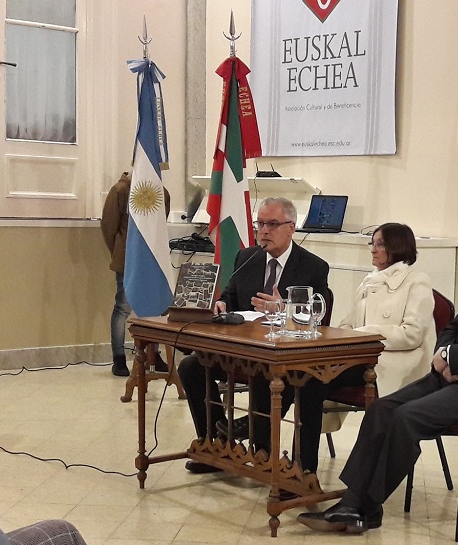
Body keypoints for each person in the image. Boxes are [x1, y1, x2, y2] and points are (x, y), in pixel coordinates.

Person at [297, 212, 458, 534]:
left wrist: (454, 357)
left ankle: (362, 506)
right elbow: (453, 326)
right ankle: (353, 504)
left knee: (407, 417)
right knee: (382, 409)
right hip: (457, 378)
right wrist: (446, 356)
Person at [177, 196, 330, 474]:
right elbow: (230, 297)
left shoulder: (313, 267)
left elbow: (322, 318)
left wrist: (284, 307)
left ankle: (262, 453)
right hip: (243, 351)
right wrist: (221, 303)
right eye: (260, 223)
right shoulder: (247, 257)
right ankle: (217, 444)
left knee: (265, 378)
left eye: (272, 224)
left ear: (291, 228)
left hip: (282, 357)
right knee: (191, 367)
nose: (264, 231)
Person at [322, 223, 436, 434]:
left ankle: (296, 454)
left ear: (398, 246)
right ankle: (299, 455)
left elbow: (412, 334)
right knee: (308, 375)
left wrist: (365, 334)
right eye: (372, 243)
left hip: (394, 363)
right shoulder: (369, 281)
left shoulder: (417, 281)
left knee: (318, 379)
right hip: (362, 359)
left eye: (380, 244)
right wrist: (337, 337)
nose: (373, 249)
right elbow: (349, 323)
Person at [101, 170, 171, 377]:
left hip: (152, 259)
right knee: (123, 308)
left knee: (154, 309)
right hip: (128, 258)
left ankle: (153, 354)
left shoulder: (161, 192)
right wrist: (119, 252)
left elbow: (160, 224)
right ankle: (119, 358)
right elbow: (108, 226)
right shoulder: (121, 190)